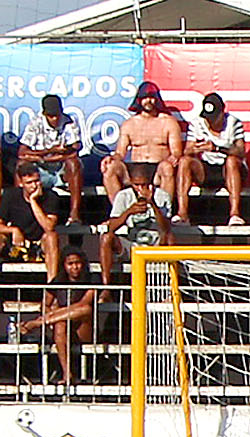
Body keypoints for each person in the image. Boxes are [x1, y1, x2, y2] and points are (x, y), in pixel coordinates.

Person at [18, 249, 98, 388]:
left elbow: (83, 304)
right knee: (60, 325)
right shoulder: (59, 280)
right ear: (64, 265)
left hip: (84, 328)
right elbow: (45, 304)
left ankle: (37, 324)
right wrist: (54, 316)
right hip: (63, 328)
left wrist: (47, 319)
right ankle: (67, 373)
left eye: (78, 263)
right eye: (70, 264)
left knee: (85, 309)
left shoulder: (92, 279)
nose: (75, 267)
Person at [103, 81, 183, 206]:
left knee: (167, 168)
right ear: (139, 100)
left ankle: (164, 213)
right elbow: (120, 152)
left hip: (158, 169)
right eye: (145, 98)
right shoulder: (129, 124)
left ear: (157, 99)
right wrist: (112, 158)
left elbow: (176, 151)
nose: (148, 101)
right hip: (135, 170)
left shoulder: (168, 122)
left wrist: (174, 157)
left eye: (152, 97)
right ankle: (119, 213)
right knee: (110, 169)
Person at [177, 92, 248, 225]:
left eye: (214, 118)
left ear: (222, 112)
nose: (211, 122)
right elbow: (187, 150)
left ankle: (235, 214)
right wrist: (196, 148)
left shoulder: (234, 123)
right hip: (206, 168)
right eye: (208, 118)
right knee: (185, 161)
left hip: (229, 170)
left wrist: (217, 148)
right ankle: (182, 213)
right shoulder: (197, 123)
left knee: (232, 161)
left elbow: (240, 151)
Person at [17, 94, 85, 224]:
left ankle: (74, 214)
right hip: (40, 169)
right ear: (44, 113)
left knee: (74, 164)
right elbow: (22, 153)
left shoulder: (69, 122)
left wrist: (45, 157)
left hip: (61, 169)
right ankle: (21, 214)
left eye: (57, 115)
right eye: (51, 116)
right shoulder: (35, 123)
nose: (54, 119)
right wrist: (51, 151)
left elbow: (74, 152)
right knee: (22, 165)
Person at [98, 168, 174, 286]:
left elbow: (166, 228)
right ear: (131, 183)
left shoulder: (162, 196)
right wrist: (128, 212)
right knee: (106, 238)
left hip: (156, 242)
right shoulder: (123, 196)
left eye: (144, 184)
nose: (140, 189)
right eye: (136, 185)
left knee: (170, 237)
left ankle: (171, 283)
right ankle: (106, 287)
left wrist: (153, 205)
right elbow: (111, 227)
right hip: (132, 243)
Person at [2, 164, 62, 281]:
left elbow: (49, 227)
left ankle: (52, 286)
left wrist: (33, 201)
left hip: (40, 243)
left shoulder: (51, 196)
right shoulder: (10, 195)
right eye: (29, 183)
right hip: (18, 244)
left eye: (37, 181)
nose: (34, 186)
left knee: (52, 237)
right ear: (21, 183)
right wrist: (14, 230)